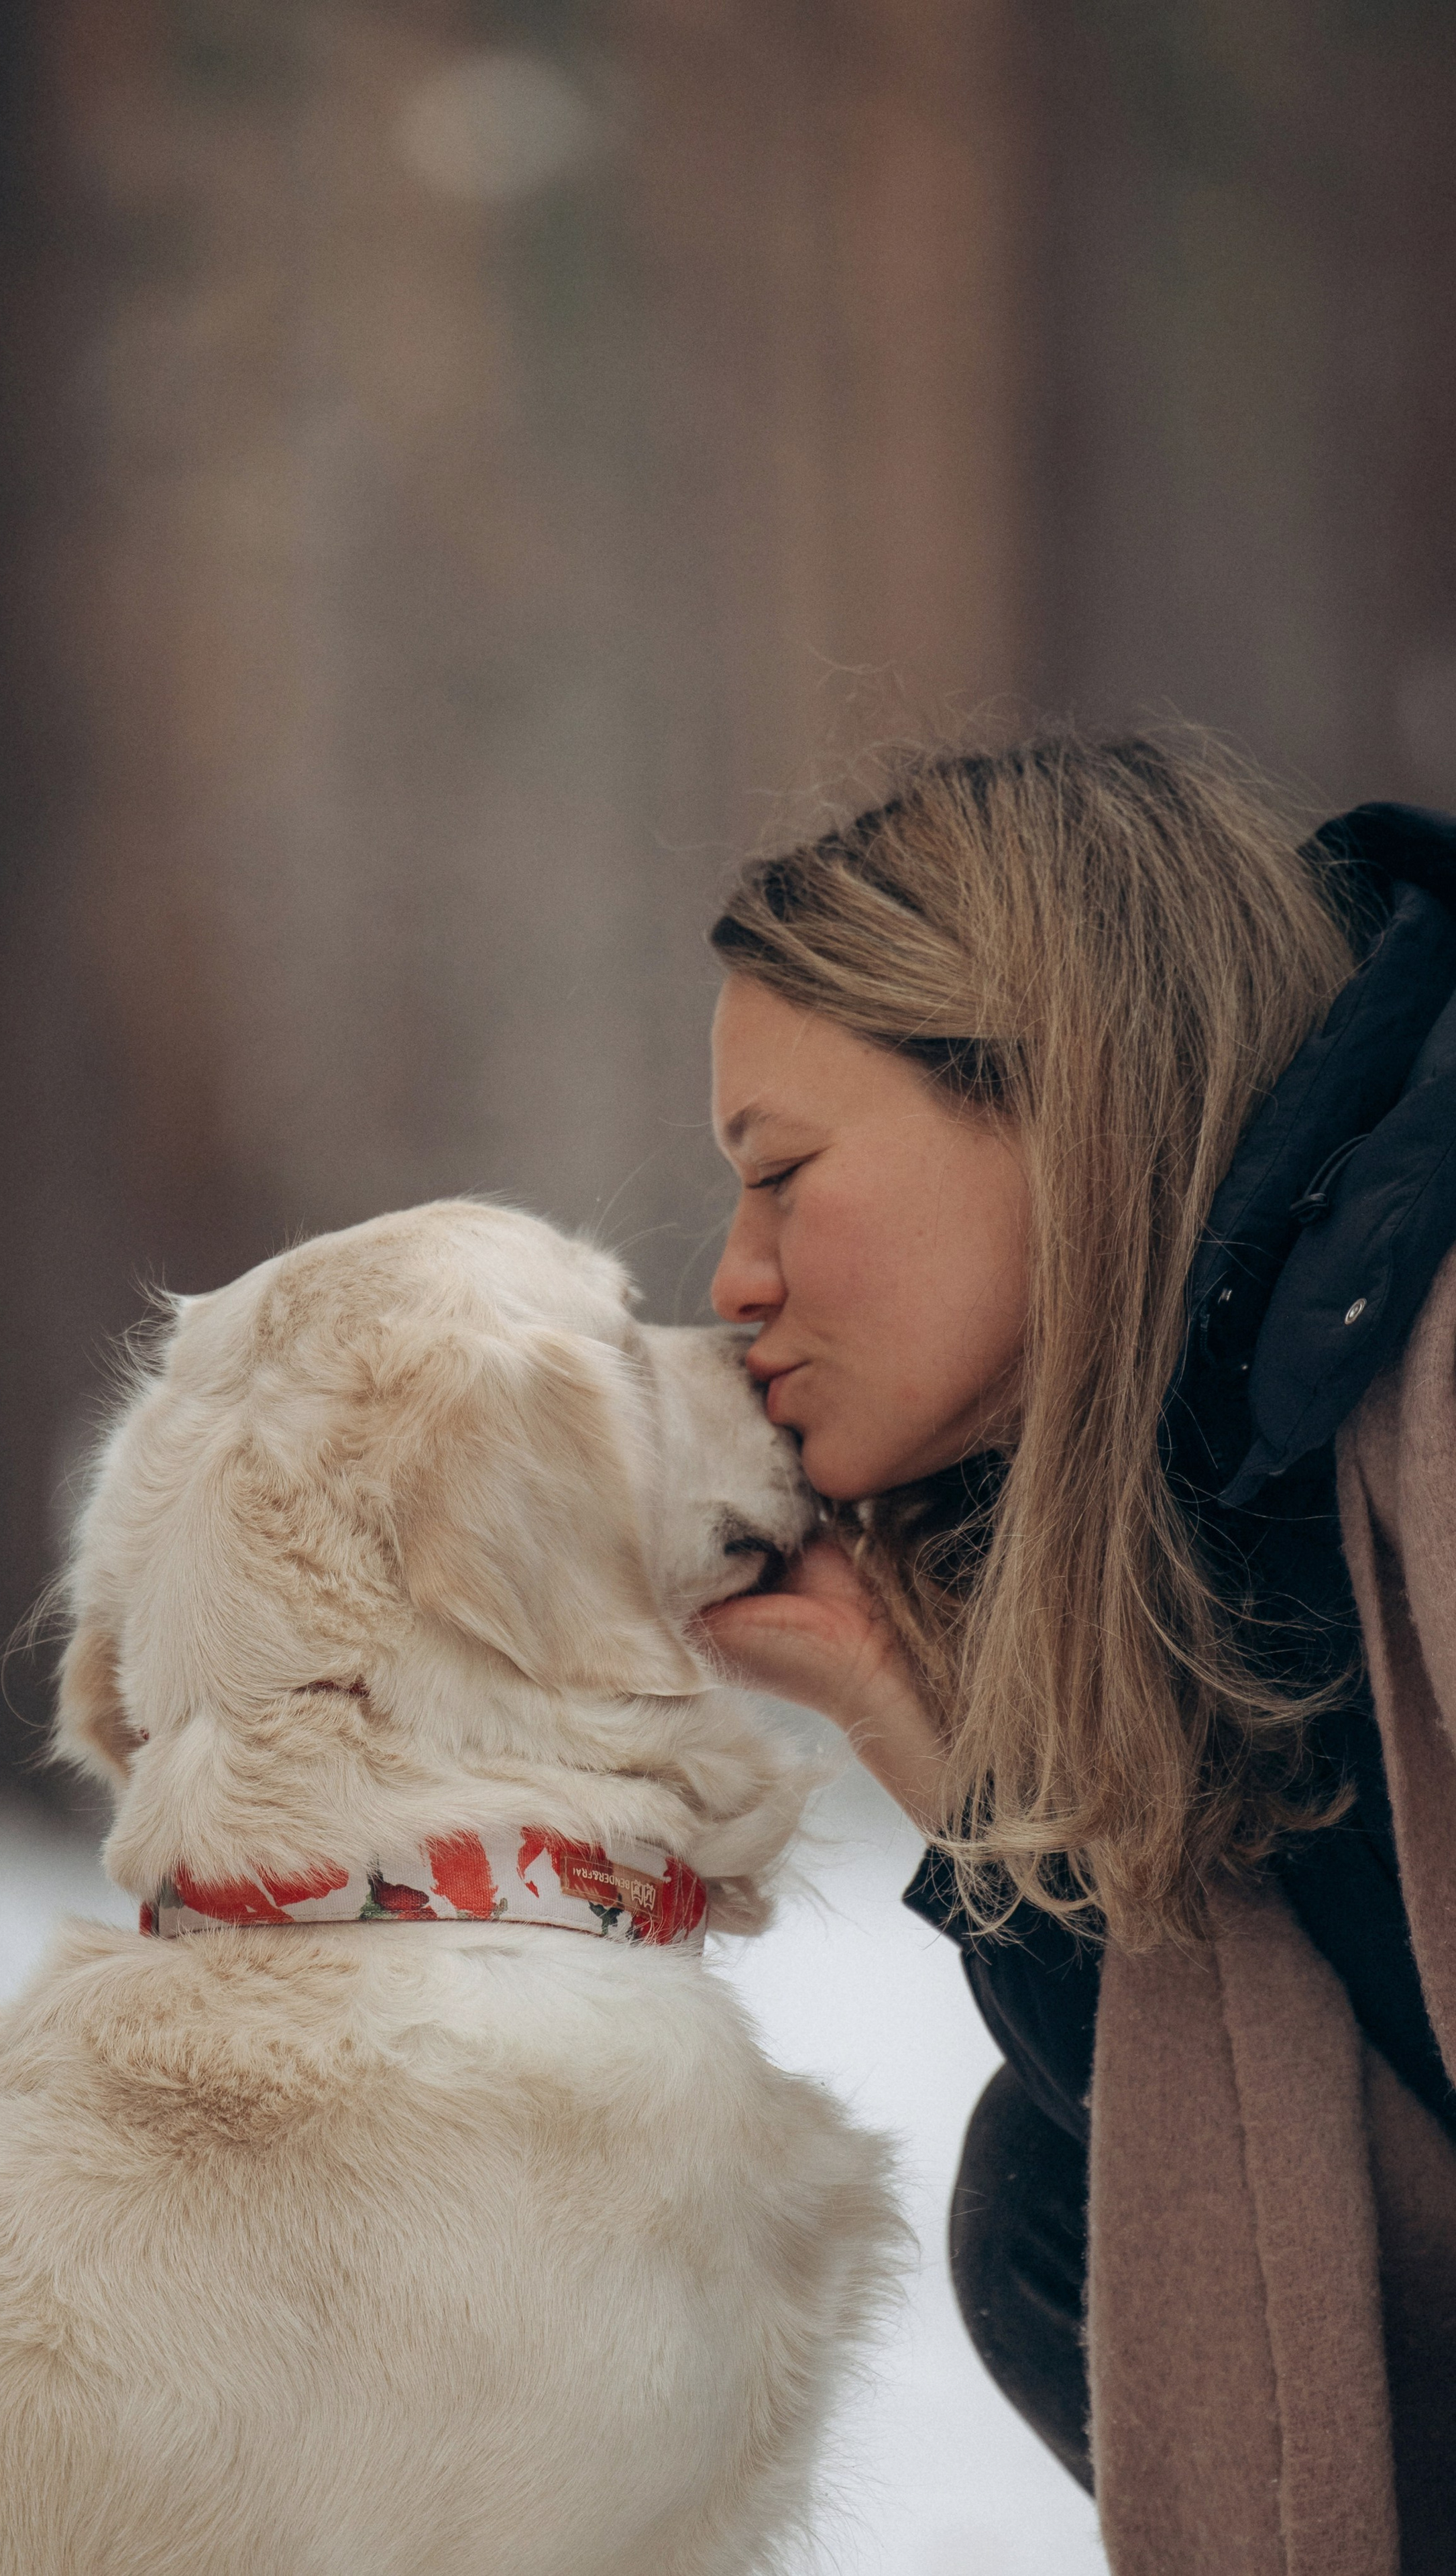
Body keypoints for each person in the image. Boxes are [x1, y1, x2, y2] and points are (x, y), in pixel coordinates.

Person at [696, 734, 1456, 2573]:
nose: (733, 1278)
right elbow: (1239, 2122)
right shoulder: (1220, 1473)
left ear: (1061, 1101)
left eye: (780, 1172)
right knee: (1057, 2195)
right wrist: (919, 1727)